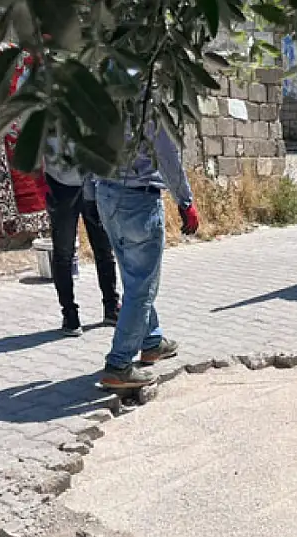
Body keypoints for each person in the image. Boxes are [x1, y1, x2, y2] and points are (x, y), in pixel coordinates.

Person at [95, 122, 200, 390]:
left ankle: (152, 342)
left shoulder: (98, 93)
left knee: (134, 277)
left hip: (106, 194)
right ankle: (119, 364)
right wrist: (185, 201)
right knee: (141, 287)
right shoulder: (145, 98)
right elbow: (166, 154)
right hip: (138, 200)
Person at [45, 145, 121, 336]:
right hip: (60, 185)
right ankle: (70, 315)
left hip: (93, 183)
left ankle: (112, 307)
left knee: (104, 248)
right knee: (64, 252)